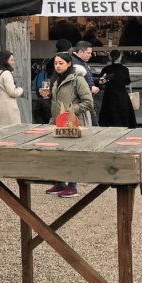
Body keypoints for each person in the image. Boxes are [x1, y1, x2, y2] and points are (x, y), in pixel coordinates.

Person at [40, 51, 93, 198]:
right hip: (58, 123)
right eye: (56, 63)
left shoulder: (78, 80)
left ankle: (73, 186)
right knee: (57, 154)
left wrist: (70, 111)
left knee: (72, 155)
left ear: (69, 64)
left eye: (61, 63)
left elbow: (88, 103)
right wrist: (48, 99)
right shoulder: (56, 80)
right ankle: (60, 183)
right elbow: (56, 103)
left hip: (73, 124)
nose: (57, 66)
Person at [0, 50, 25, 128]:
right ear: (5, 61)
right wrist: (20, 90)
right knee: (13, 131)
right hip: (9, 108)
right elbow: (12, 92)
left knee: (1, 132)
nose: (13, 62)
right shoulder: (6, 73)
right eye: (11, 60)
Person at [97, 50, 137, 128]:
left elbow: (100, 80)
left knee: (109, 116)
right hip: (122, 95)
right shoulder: (124, 69)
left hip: (109, 96)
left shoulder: (106, 69)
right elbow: (127, 82)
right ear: (119, 58)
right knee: (123, 116)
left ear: (110, 57)